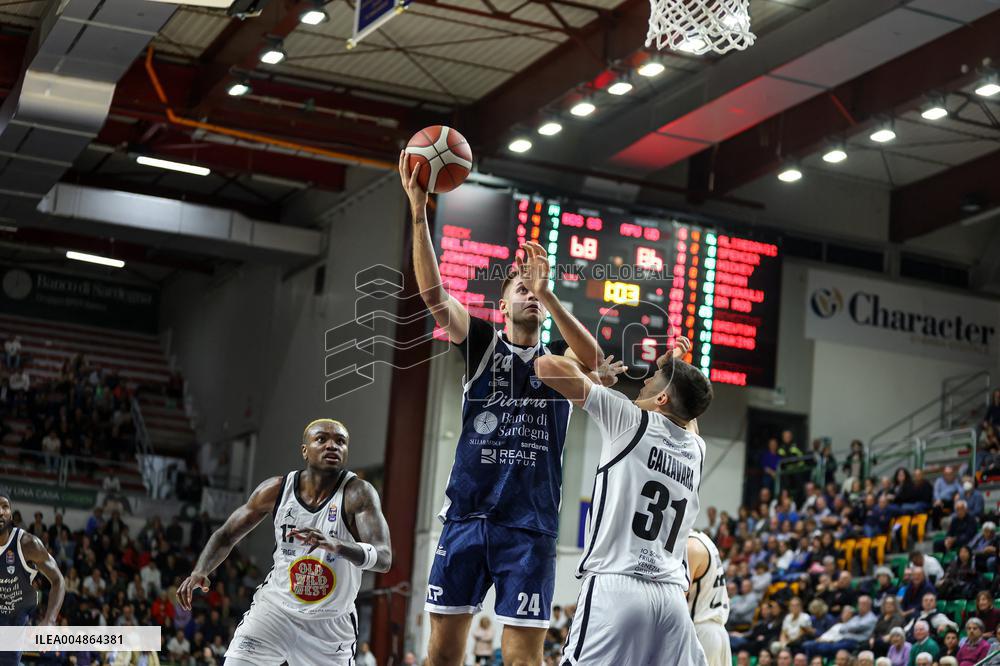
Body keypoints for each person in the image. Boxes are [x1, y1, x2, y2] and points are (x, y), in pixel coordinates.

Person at [401, 154, 606, 666]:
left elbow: (598, 365)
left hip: (529, 529)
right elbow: (432, 294)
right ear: (502, 306)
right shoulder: (482, 345)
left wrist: (549, 292)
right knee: (442, 656)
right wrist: (418, 212)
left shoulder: (558, 365)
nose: (529, 296)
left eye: (533, 291)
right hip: (466, 518)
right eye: (521, 289)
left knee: (522, 661)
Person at [534, 337, 713, 664]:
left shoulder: (630, 419)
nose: (643, 382)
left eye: (652, 381)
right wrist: (672, 367)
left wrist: (593, 374)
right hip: (672, 600)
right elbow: (688, 415)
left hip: (617, 585)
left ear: (661, 398)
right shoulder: (696, 450)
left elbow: (545, 367)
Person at [177, 419, 392, 666]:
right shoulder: (276, 490)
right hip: (275, 612)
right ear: (305, 450)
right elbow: (226, 535)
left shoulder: (358, 493)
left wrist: (338, 545)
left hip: (329, 627)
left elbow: (384, 557)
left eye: (340, 441)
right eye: (322, 439)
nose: (332, 445)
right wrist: (200, 571)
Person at [0, 494, 66, 666]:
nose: (0, 511)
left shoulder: (27, 544)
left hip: (15, 615)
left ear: (11, 515)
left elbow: (58, 580)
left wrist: (50, 620)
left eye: (4, 506)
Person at [688, 531, 732, 666]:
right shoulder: (705, 540)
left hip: (700, 632)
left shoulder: (690, 546)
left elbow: (678, 596)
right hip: (719, 632)